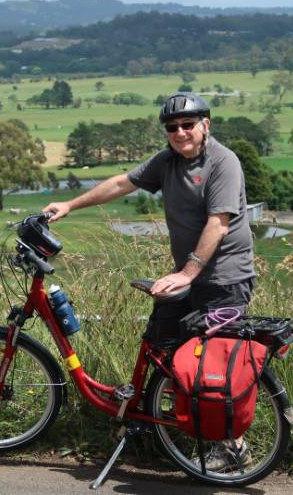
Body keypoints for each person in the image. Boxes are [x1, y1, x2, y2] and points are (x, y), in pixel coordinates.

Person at [43, 92, 256, 471]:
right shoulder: (168, 161)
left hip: (224, 281)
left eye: (188, 125)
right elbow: (122, 183)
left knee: (215, 367)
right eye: (172, 127)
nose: (180, 132)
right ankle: (166, 429)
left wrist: (186, 273)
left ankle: (232, 446)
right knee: (166, 355)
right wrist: (70, 206)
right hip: (185, 281)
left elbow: (218, 223)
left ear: (205, 125)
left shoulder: (224, 163)